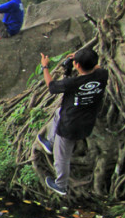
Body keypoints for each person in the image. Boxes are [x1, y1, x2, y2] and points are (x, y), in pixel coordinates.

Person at [36, 47, 109, 196]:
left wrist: (45, 66)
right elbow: (96, 67)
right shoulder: (102, 75)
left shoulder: (73, 83)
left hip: (69, 126)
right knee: (57, 112)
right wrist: (80, 58)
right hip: (87, 121)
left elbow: (51, 86)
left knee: (62, 157)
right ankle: (49, 141)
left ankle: (61, 185)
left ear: (77, 65)